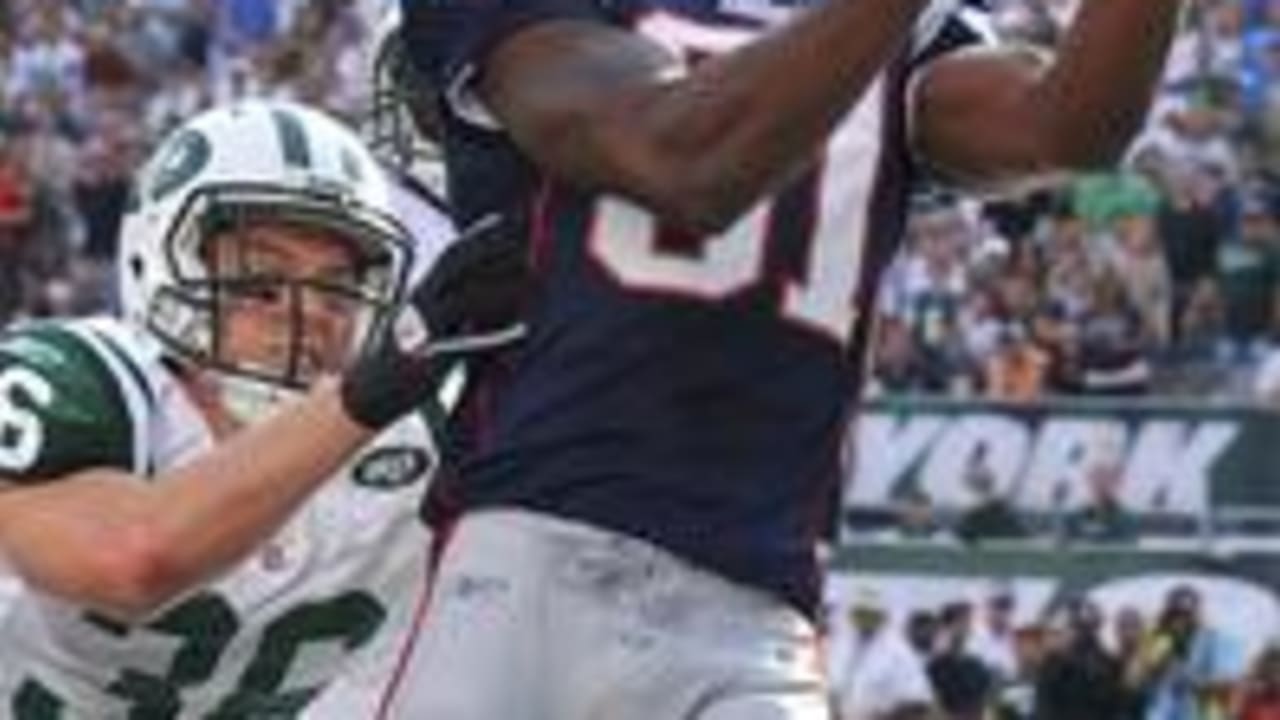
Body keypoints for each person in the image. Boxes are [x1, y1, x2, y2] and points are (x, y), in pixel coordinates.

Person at [381, 0, 1189, 715]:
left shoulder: (897, 33)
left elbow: (1067, 124)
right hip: (531, 550)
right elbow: (683, 158)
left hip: (753, 604)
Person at [0, 98, 525, 718]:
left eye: (337, 289)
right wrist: (376, 386)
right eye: (263, 283)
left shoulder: (425, 434)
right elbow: (131, 559)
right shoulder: (79, 385)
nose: (304, 318)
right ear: (162, 262)